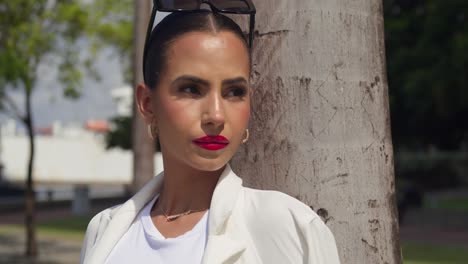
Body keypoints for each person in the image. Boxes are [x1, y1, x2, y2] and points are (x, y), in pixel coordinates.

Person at [80, 5, 340, 264]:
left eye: (234, 92)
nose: (216, 115)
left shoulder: (289, 228)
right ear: (147, 104)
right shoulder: (104, 230)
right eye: (192, 89)